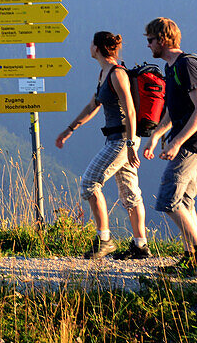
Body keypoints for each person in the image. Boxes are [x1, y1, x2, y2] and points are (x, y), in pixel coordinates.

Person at [56, 31, 150, 260]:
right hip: (119, 139)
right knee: (130, 192)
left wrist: (130, 143)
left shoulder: (117, 74)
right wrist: (69, 129)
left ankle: (104, 240)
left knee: (89, 183)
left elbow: (130, 109)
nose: (89, 46)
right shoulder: (103, 74)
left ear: (97, 48)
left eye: (91, 43)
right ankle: (140, 246)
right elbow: (92, 106)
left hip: (122, 140)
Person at [142, 17, 197, 276]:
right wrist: (156, 136)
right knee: (184, 201)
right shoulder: (171, 67)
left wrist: (176, 143)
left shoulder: (187, 66)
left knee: (168, 199)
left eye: (151, 40)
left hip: (192, 144)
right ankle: (191, 258)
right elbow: (173, 111)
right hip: (188, 141)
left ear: (163, 40)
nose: (148, 45)